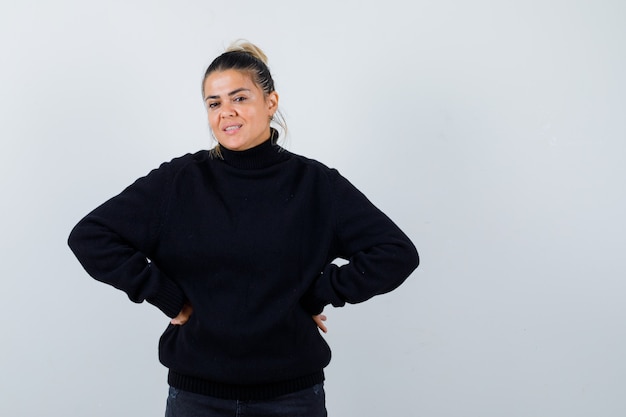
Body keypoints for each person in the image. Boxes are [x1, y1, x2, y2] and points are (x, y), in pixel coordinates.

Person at [68, 40, 419, 417]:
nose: (226, 113)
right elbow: (91, 236)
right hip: (196, 397)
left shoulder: (315, 184)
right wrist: (165, 295)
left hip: (292, 397)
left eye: (240, 98)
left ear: (271, 102)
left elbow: (395, 253)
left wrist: (317, 291)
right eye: (214, 103)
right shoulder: (180, 181)